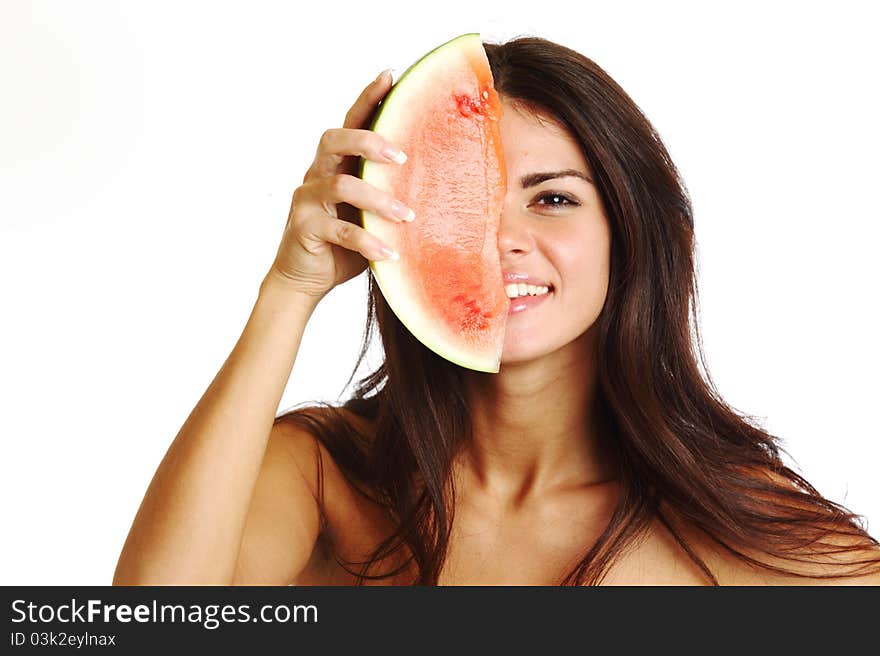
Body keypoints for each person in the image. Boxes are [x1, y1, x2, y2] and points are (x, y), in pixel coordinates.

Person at [113, 36, 880, 586]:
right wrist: (289, 290)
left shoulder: (735, 526)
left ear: (629, 232)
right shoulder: (326, 477)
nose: (500, 239)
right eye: (461, 201)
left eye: (552, 198)